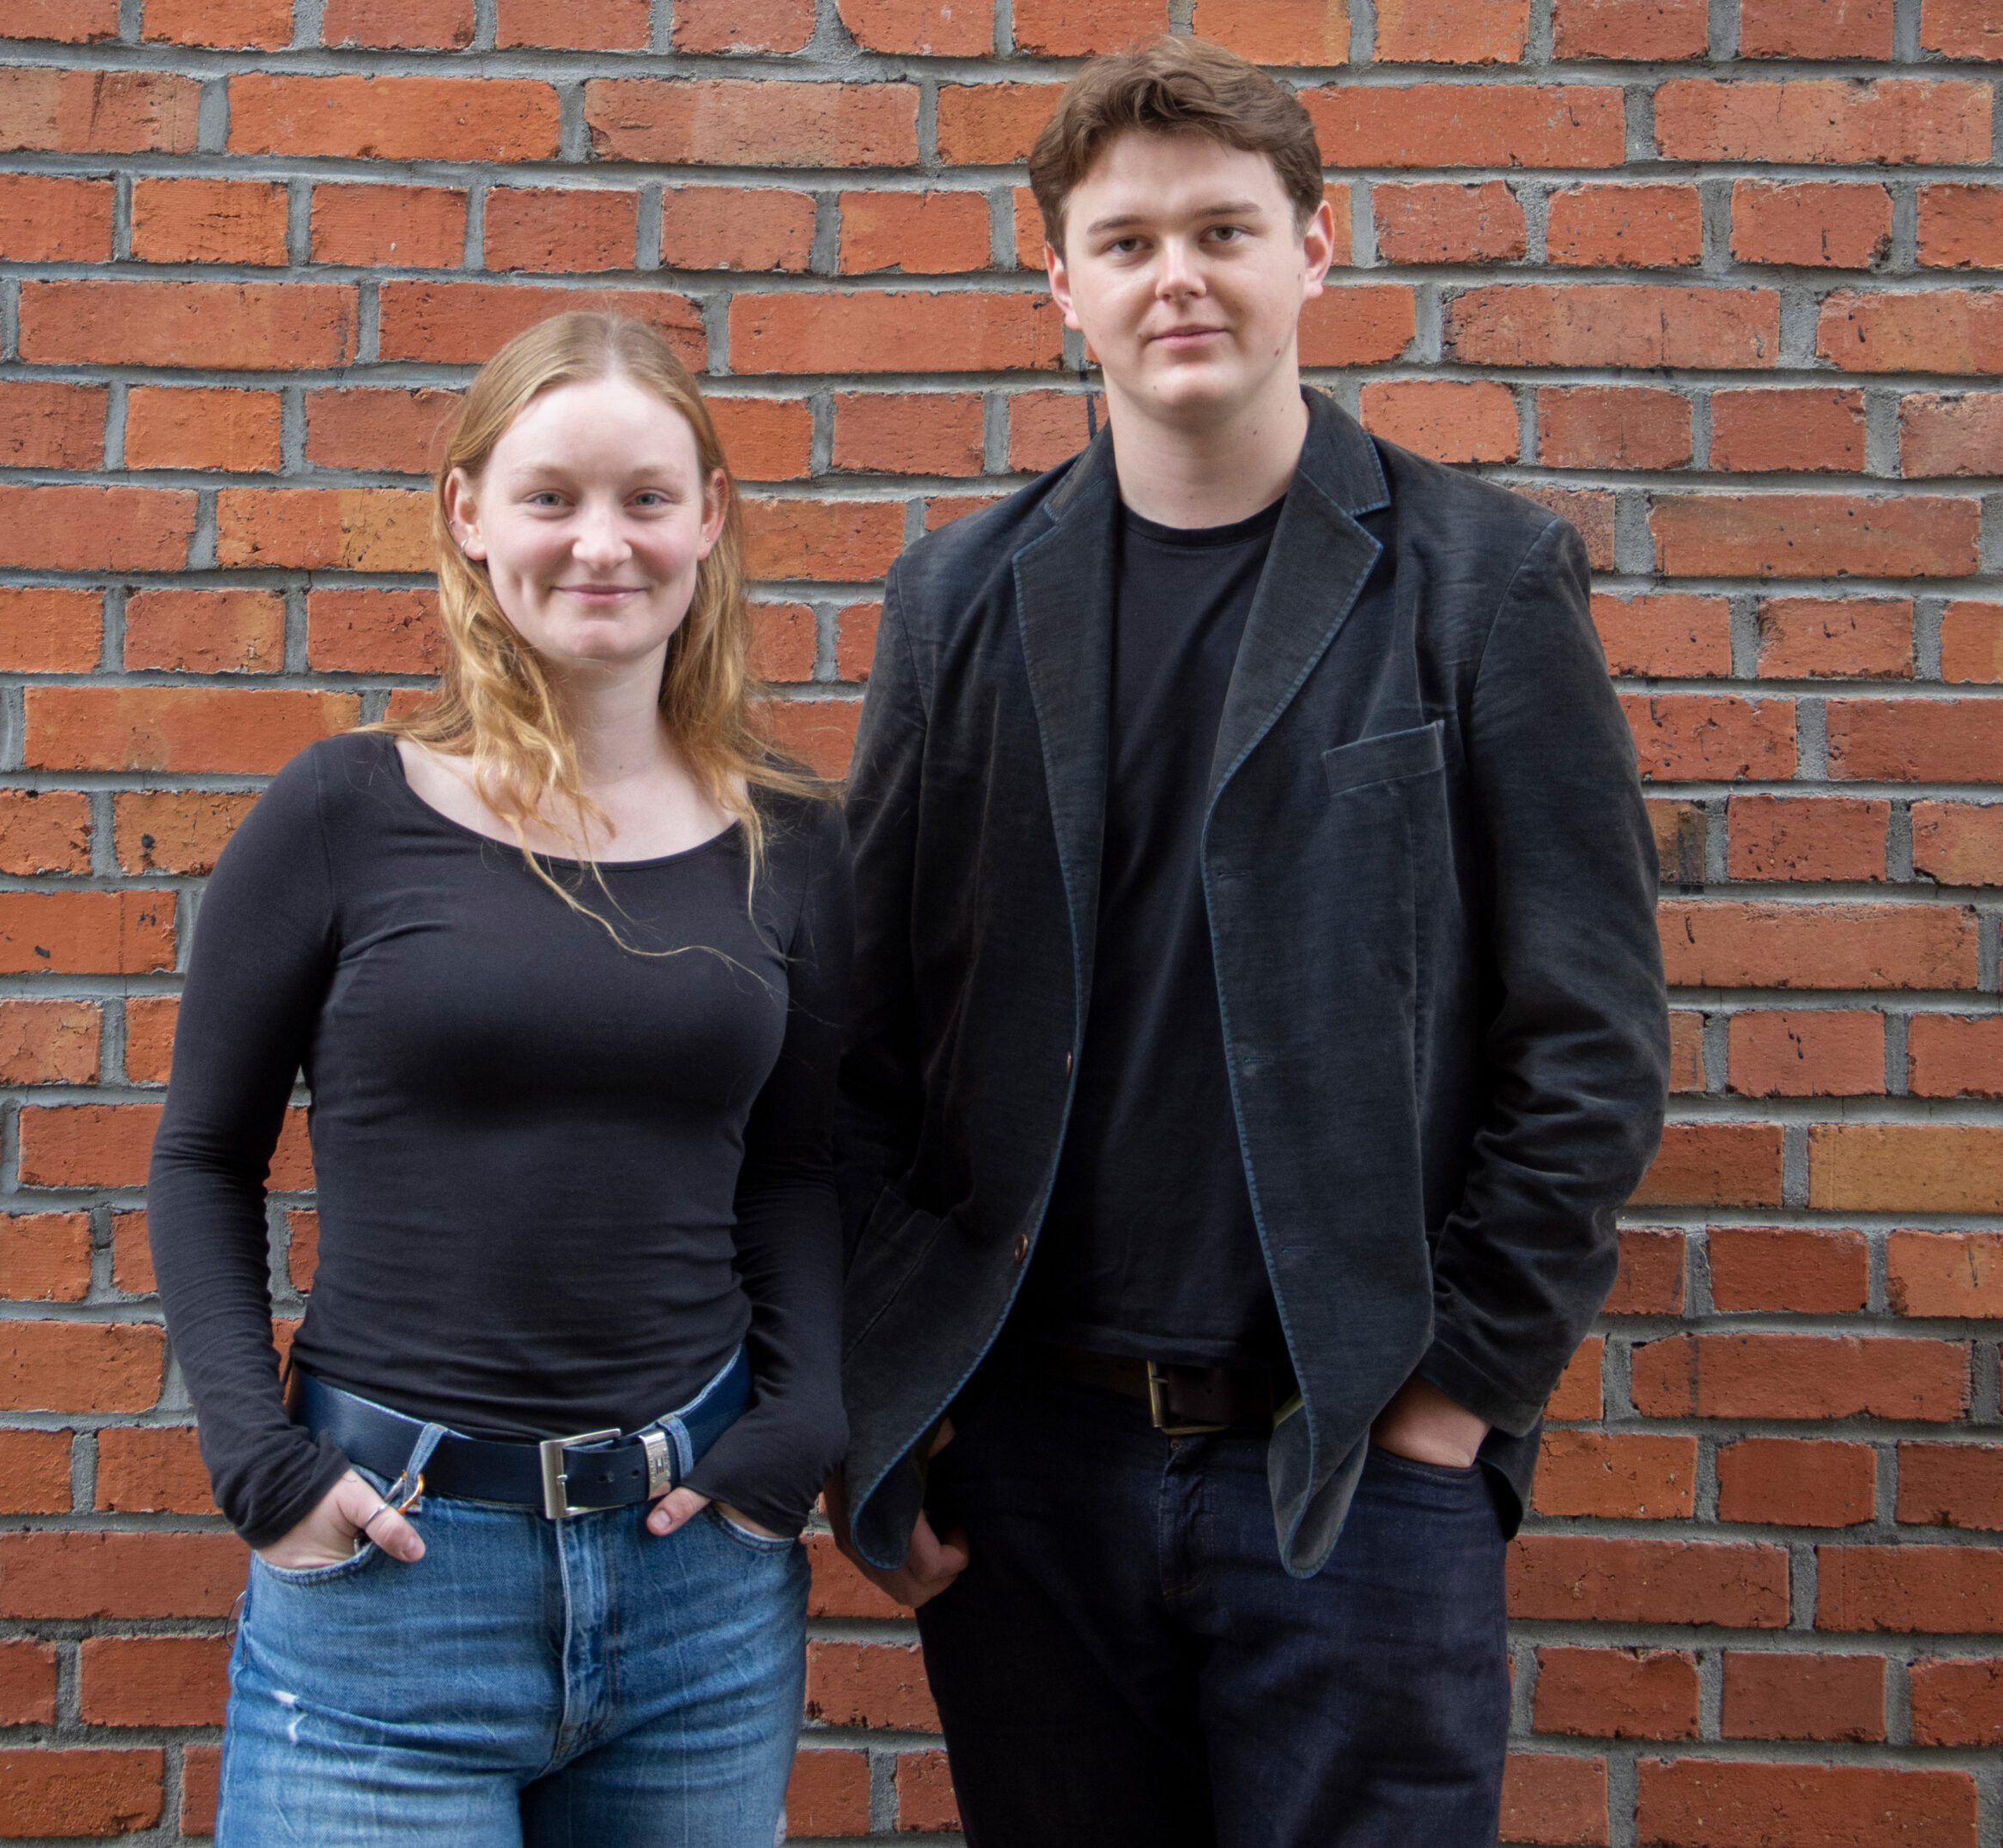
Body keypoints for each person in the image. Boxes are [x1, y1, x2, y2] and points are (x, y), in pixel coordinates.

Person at [827, 35, 1669, 1848]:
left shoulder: (1480, 581)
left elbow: (1585, 1036)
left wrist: (1454, 1396)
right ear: (1057, 285)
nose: (1176, 276)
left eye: (1222, 228)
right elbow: (865, 1036)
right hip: (1033, 1469)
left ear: (1316, 247)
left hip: (1353, 1455)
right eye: (1122, 242)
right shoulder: (955, 603)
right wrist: (892, 1404)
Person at [147, 310, 851, 1847]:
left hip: (700, 1605)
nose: (601, 543)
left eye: (647, 498)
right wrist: (259, 1467)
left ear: (710, 520)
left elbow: (798, 1171)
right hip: (389, 1576)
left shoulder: (791, 845)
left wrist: (801, 1429)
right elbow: (204, 1153)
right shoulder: (343, 812)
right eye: (551, 497)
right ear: (469, 516)